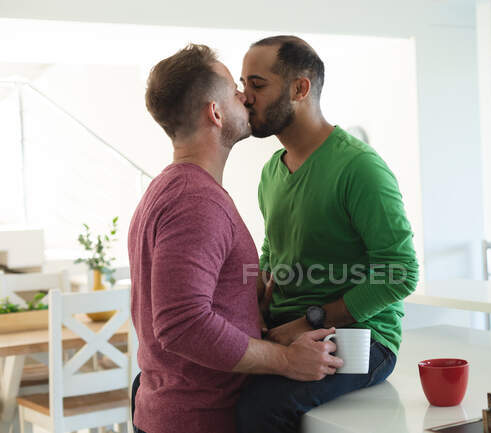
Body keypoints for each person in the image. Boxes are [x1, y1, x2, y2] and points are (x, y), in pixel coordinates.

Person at [128, 43, 343, 433]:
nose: (245, 97)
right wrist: (286, 360)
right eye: (234, 90)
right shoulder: (195, 201)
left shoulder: (171, 188)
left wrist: (247, 297)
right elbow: (183, 325)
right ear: (215, 112)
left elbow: (188, 301)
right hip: (199, 420)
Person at [236, 35, 420, 433]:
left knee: (256, 409)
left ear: (300, 88)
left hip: (363, 338)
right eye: (243, 84)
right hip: (289, 328)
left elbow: (401, 272)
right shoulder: (271, 171)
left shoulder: (360, 167)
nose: (244, 97)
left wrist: (309, 320)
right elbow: (275, 246)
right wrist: (261, 286)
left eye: (257, 84)